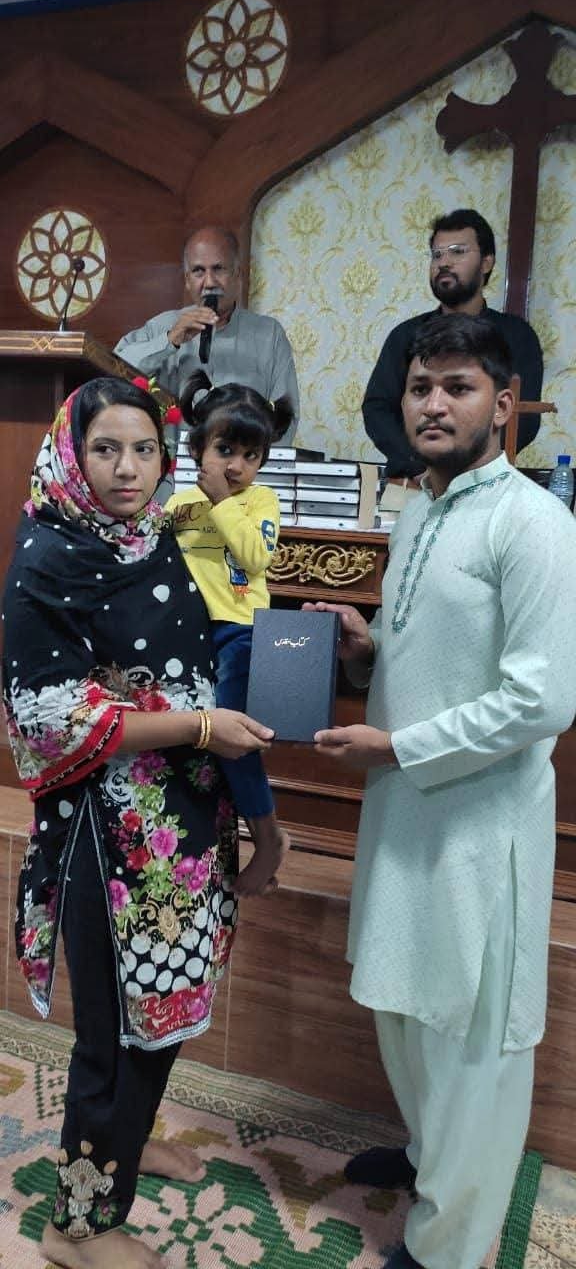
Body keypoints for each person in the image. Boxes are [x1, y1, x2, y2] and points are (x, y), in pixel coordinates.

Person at [305, 314, 576, 1269]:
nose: (432, 403)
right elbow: (448, 650)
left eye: (457, 387)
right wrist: (371, 649)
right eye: (421, 386)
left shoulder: (535, 521)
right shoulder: (418, 510)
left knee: (471, 1038)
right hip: (406, 806)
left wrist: (400, 744)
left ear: (503, 406)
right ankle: (429, 1159)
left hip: (480, 826)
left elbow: (543, 697)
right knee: (405, 1003)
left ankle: (451, 1246)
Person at [2, 375, 276, 1269]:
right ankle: (77, 1225)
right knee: (110, 1034)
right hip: (106, 841)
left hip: (185, 828)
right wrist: (196, 726)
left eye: (144, 449)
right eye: (105, 449)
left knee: (167, 1006)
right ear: (72, 454)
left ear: (168, 456)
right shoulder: (48, 553)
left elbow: (221, 652)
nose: (127, 469)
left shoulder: (164, 538)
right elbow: (49, 713)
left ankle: (123, 1150)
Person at [166, 369, 292, 897]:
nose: (236, 465)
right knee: (192, 739)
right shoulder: (177, 505)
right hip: (186, 635)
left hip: (240, 633)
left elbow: (255, 556)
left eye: (250, 455)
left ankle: (268, 836)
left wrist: (220, 502)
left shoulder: (257, 503)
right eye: (225, 449)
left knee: (234, 742)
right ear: (198, 448)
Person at [363, 208, 544, 476]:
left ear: (486, 262)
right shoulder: (406, 335)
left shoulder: (516, 336)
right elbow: (378, 409)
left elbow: (523, 417)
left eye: (457, 251)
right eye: (437, 254)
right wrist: (422, 463)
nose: (443, 262)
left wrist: (471, 466)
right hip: (414, 479)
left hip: (486, 479)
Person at [114, 225, 299, 445]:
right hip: (172, 471)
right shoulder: (162, 326)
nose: (209, 282)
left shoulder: (269, 334)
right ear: (187, 279)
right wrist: (169, 341)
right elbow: (114, 370)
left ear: (238, 274)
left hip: (242, 471)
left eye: (219, 269)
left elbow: (285, 416)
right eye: (199, 271)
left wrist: (255, 468)